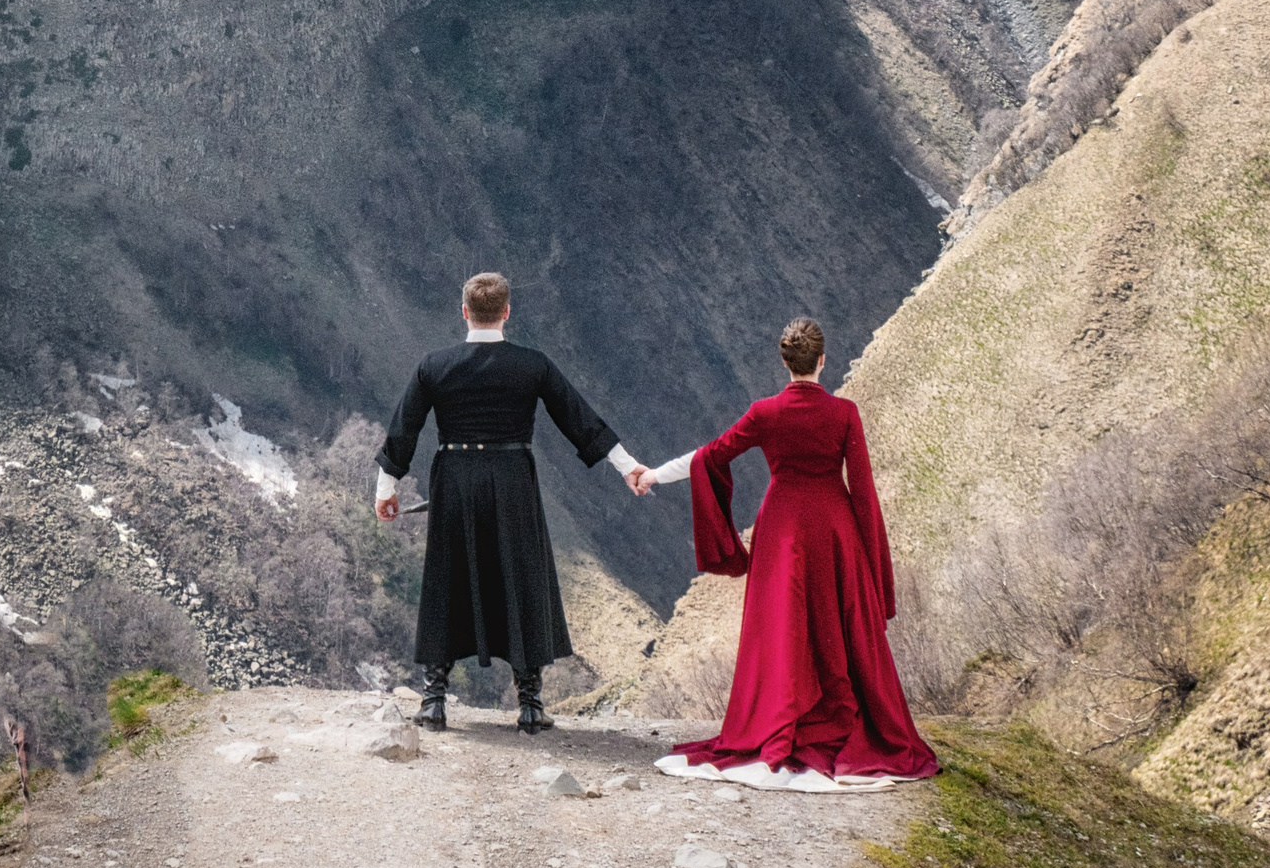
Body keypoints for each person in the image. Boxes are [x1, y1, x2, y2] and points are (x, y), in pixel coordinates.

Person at [638, 317, 937, 786]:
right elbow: (864, 493)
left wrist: (653, 474)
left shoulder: (765, 413)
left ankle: (783, 714)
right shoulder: (844, 414)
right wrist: (875, 567)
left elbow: (710, 456)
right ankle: (840, 715)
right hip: (836, 533)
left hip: (781, 534)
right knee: (839, 626)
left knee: (784, 629)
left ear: (784, 362)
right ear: (822, 361)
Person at [376, 270, 651, 734]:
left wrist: (386, 487)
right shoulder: (532, 365)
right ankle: (529, 705)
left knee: (448, 576)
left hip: (457, 478)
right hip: (512, 479)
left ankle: (434, 701)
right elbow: (578, 418)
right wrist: (628, 466)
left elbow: (404, 429)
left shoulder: (434, 365)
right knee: (521, 576)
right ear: (506, 312)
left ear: (464, 311)